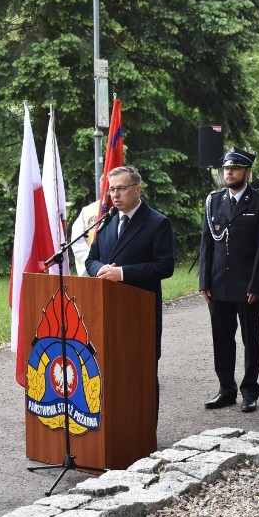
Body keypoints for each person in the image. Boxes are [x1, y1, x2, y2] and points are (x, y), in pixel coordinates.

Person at [85, 165, 175, 418]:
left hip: (140, 312)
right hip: (107, 310)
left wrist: (122, 273)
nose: (115, 194)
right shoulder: (108, 219)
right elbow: (91, 259)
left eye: (121, 188)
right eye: (112, 189)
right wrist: (100, 269)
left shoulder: (157, 223)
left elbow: (165, 266)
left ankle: (144, 430)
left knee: (141, 372)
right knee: (111, 371)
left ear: (137, 189)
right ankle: (116, 429)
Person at [199, 148, 259, 412]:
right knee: (221, 338)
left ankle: (250, 390)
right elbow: (207, 243)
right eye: (226, 169)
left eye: (235, 168)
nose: (228, 173)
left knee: (251, 339)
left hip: (246, 286)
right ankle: (226, 388)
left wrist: (257, 284)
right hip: (218, 283)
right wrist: (204, 281)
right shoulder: (213, 201)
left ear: (247, 172)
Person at [69, 201, 100, 276]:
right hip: (93, 268)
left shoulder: (128, 208)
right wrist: (94, 264)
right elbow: (78, 240)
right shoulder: (88, 211)